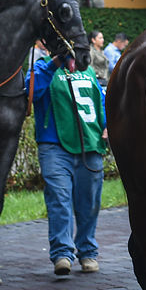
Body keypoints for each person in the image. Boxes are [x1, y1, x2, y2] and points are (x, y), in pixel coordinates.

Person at [28, 53, 108, 276]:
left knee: (89, 202)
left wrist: (107, 124)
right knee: (59, 198)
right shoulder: (41, 67)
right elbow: (30, 93)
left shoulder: (87, 69)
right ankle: (62, 253)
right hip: (54, 146)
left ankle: (87, 252)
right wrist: (53, 65)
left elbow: (100, 99)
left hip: (89, 145)